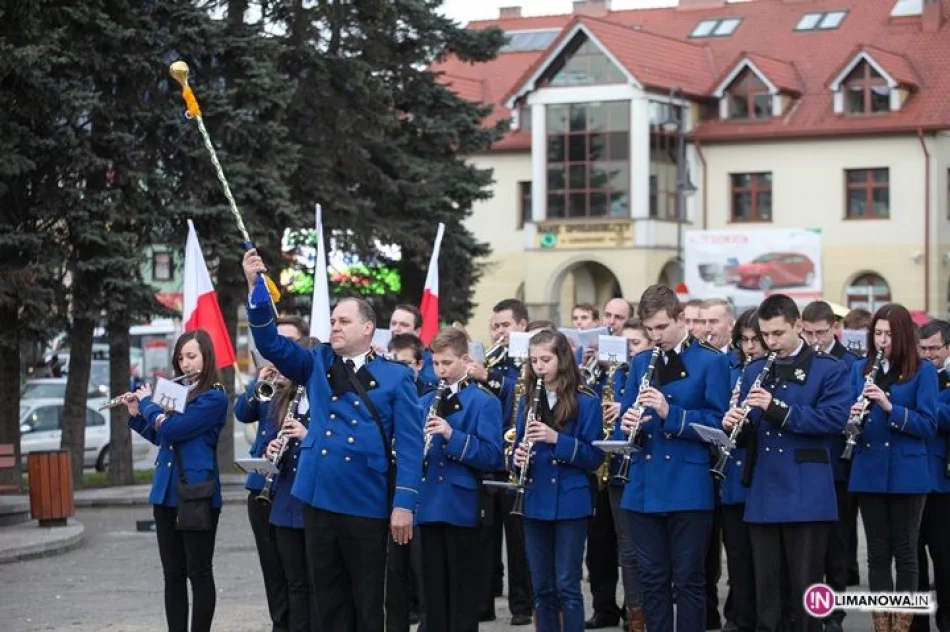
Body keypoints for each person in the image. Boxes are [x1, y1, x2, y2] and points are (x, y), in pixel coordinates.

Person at [243, 250, 423, 632]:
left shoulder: (396, 377)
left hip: (365, 500)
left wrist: (403, 503)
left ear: (368, 328)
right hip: (319, 496)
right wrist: (255, 289)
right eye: (332, 321)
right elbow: (271, 344)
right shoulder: (316, 362)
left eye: (344, 321)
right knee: (329, 602)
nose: (334, 327)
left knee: (368, 602)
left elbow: (408, 446)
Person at [723, 294, 851, 632]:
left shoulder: (829, 369)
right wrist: (735, 426)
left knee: (805, 588)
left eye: (778, 333)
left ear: (798, 326)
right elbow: (751, 432)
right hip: (764, 490)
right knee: (767, 589)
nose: (770, 342)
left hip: (806, 491)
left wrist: (775, 408)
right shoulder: (754, 370)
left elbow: (832, 421)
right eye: (766, 335)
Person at [617, 285, 730, 632]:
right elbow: (627, 419)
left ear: (681, 318)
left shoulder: (711, 361)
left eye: (662, 327)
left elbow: (719, 426)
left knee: (689, 581)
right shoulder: (639, 363)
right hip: (644, 486)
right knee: (651, 580)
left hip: (687, 486)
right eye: (649, 329)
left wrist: (671, 412)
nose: (656, 336)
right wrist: (627, 425)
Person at [124, 329, 228, 632]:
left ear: (206, 357)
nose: (185, 363)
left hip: (197, 493)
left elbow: (176, 428)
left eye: (192, 356)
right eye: (181, 357)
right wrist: (136, 414)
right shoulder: (179, 393)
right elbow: (163, 436)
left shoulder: (214, 396)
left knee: (199, 572)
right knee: (172, 574)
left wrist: (148, 405)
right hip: (166, 492)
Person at [848, 304, 937, 632]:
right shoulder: (860, 368)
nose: (882, 340)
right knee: (877, 554)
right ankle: (881, 625)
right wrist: (851, 417)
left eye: (888, 334)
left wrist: (889, 407)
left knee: (906, 551)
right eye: (878, 333)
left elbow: (928, 424)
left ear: (902, 335)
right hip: (869, 470)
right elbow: (845, 417)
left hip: (907, 474)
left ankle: (903, 625)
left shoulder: (921, 371)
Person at [511, 329, 605, 631]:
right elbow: (516, 445)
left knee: (567, 584)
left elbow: (594, 457)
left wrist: (556, 439)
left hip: (570, 501)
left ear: (562, 358)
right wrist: (517, 458)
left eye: (546, 359)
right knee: (542, 587)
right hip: (535, 498)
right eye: (534, 360)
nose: (539, 366)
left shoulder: (586, 400)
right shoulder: (527, 400)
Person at [418, 327, 504, 632]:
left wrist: (452, 435)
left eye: (447, 363)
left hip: (461, 504)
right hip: (427, 502)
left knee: (462, 590)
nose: (440, 370)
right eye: (436, 363)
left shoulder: (483, 401)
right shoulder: (426, 399)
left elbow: (493, 455)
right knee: (431, 590)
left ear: (465, 360)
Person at [234, 317, 306, 632]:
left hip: (291, 486)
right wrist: (256, 383)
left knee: (296, 569)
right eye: (278, 343)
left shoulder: (307, 389)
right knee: (271, 565)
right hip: (260, 484)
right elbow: (242, 413)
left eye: (290, 343)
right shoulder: (271, 383)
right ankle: (280, 622)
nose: (281, 351)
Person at [801, 300, 861, 631]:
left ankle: (834, 612)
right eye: (807, 333)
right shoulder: (799, 360)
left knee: (839, 544)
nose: (814, 340)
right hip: (806, 464)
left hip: (838, 463)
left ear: (834, 328)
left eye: (820, 333)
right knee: (810, 545)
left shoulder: (848, 362)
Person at [262, 337, 320, 632]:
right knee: (295, 581)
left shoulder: (327, 399)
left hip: (314, 500)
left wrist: (307, 434)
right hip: (285, 502)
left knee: (318, 580)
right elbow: (264, 440)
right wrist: (272, 449)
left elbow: (335, 447)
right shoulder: (284, 399)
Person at [585, 297, 633, 630]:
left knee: (628, 545)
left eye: (619, 317)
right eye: (608, 316)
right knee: (598, 544)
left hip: (624, 467)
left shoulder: (636, 364)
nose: (611, 322)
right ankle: (603, 607)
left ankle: (635, 608)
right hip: (595, 465)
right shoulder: (592, 361)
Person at [720, 308, 767, 632]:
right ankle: (739, 617)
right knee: (736, 556)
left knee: (764, 560)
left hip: (762, 477)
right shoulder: (730, 367)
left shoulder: (774, 371)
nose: (750, 347)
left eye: (756, 340)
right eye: (744, 340)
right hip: (732, 478)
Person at [913, 319, 950, 632]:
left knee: (946, 559)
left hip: (942, 484)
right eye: (922, 348)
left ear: (948, 349)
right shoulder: (909, 377)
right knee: (914, 561)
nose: (927, 355)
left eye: (934, 349)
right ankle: (918, 624)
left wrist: (920, 404)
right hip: (912, 481)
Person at [389, 304, 437, 387]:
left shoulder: (430, 358)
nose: (396, 328)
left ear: (417, 332)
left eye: (404, 325)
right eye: (393, 323)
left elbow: (429, 385)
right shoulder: (379, 354)